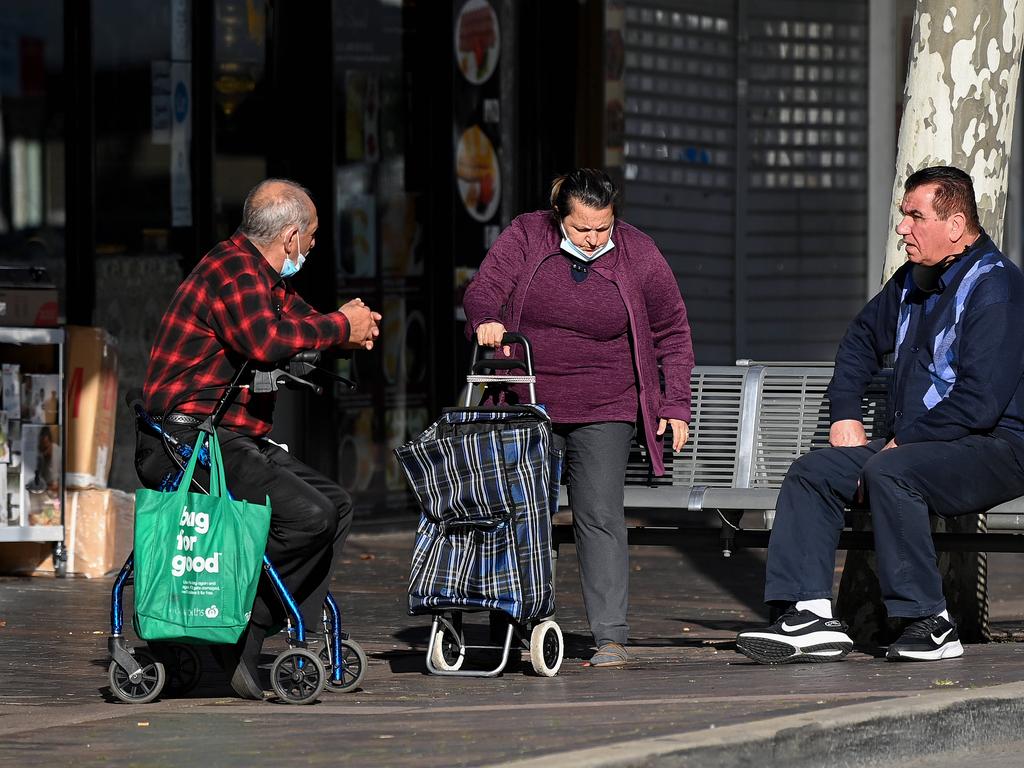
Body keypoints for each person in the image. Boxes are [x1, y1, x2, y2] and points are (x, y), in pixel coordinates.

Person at [735, 166, 1024, 665]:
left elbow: (980, 402)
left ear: (955, 225)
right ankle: (809, 615)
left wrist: (903, 441)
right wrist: (845, 412)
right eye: (903, 215)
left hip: (995, 447)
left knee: (891, 470)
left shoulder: (996, 288)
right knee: (813, 472)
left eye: (915, 216)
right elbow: (861, 340)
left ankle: (929, 623)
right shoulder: (913, 280)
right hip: (920, 444)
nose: (902, 228)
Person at [136, 178, 381, 698]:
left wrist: (350, 328)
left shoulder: (266, 280)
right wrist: (340, 326)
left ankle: (290, 631)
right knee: (305, 515)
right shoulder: (233, 270)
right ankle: (242, 640)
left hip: (227, 438)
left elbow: (301, 324)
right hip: (184, 441)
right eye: (311, 236)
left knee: (335, 506)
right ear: (290, 237)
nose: (313, 246)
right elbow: (265, 340)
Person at [463, 168, 694, 667]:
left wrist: (674, 403)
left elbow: (673, 329)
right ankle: (519, 625)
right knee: (525, 514)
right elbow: (483, 291)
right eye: (582, 228)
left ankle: (610, 636)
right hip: (528, 397)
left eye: (603, 228)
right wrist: (486, 321)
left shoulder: (638, 252)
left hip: (607, 402)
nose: (593, 239)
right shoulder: (527, 235)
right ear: (559, 217)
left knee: (600, 515)